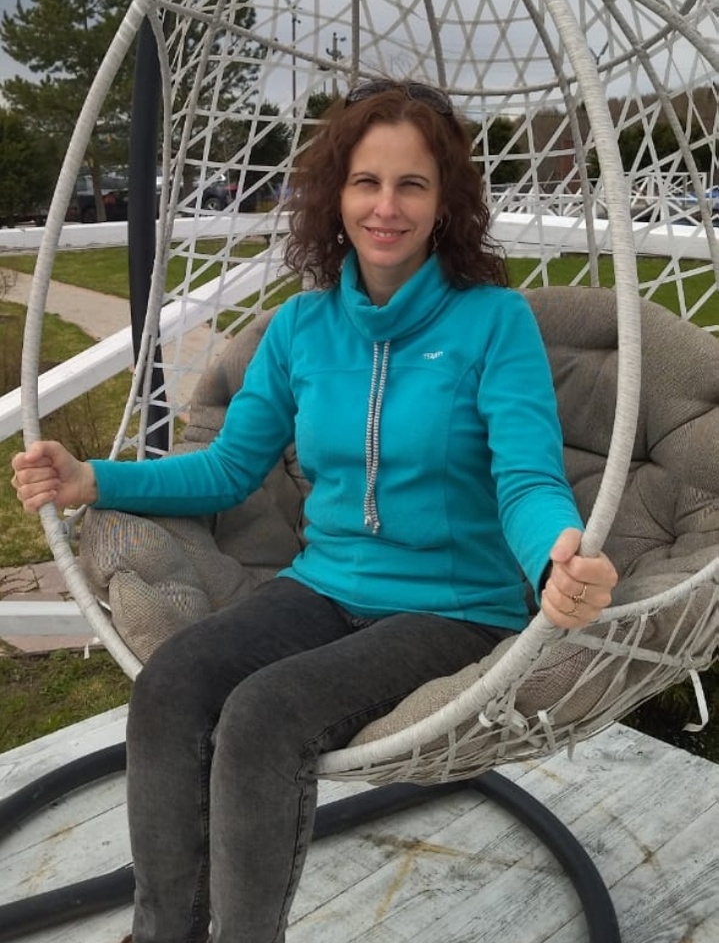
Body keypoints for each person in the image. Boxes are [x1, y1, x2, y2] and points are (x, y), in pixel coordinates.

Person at [12, 79, 618, 943]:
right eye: (366, 181)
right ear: (336, 194)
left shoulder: (494, 323)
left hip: (451, 607)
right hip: (322, 586)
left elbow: (526, 479)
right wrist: (92, 482)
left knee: (265, 714)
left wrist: (556, 552)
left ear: (445, 202)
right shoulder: (301, 328)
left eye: (411, 184)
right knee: (173, 682)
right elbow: (227, 470)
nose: (386, 206)